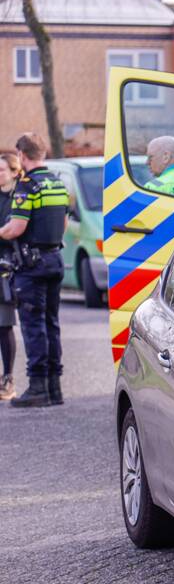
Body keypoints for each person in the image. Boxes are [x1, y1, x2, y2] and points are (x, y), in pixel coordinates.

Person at [0, 133, 68, 407]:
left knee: (33, 326)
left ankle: (38, 387)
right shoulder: (57, 183)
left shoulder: (28, 186)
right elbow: (63, 224)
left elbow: (16, 227)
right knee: (52, 324)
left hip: (32, 265)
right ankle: (54, 387)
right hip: (54, 259)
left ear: (23, 155)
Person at [0, 153, 20, 401]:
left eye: (2, 170)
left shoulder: (18, 198)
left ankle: (8, 378)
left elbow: (13, 232)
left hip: (6, 267)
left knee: (3, 325)